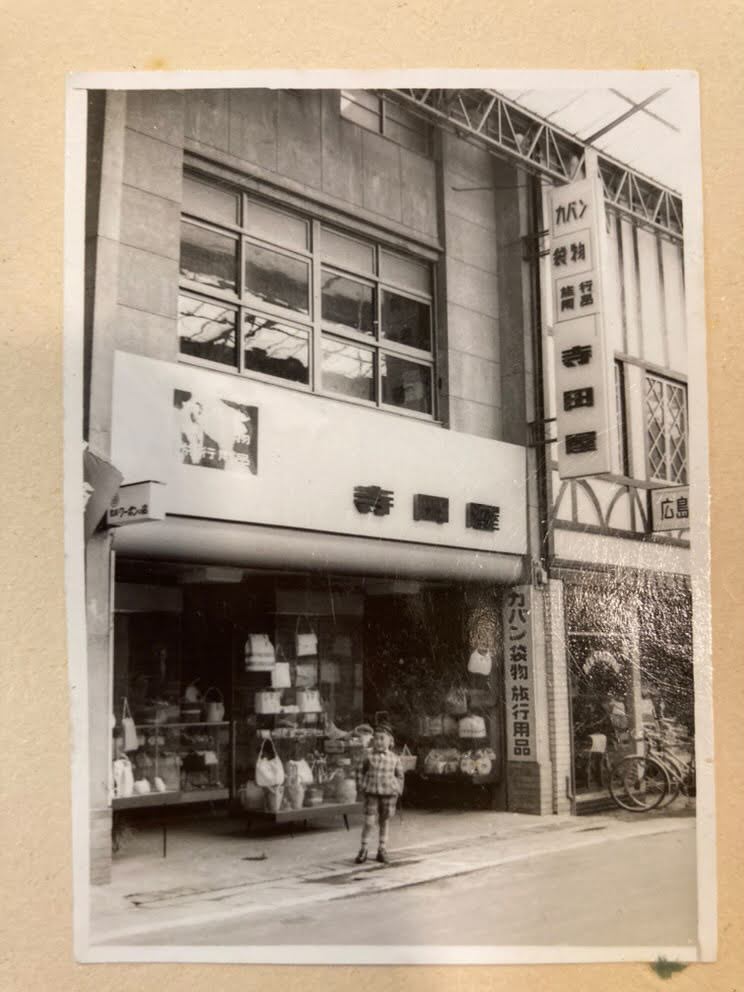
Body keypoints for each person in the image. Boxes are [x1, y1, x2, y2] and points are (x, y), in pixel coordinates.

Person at [355, 722, 404, 865]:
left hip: (388, 794)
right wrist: (361, 785)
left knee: (384, 820)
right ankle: (363, 849)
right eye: (376, 738)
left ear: (390, 741)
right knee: (369, 822)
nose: (379, 741)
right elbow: (360, 770)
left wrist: (397, 788)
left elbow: (400, 775)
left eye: (382, 738)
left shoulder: (394, 758)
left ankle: (382, 849)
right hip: (371, 792)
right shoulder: (368, 755)